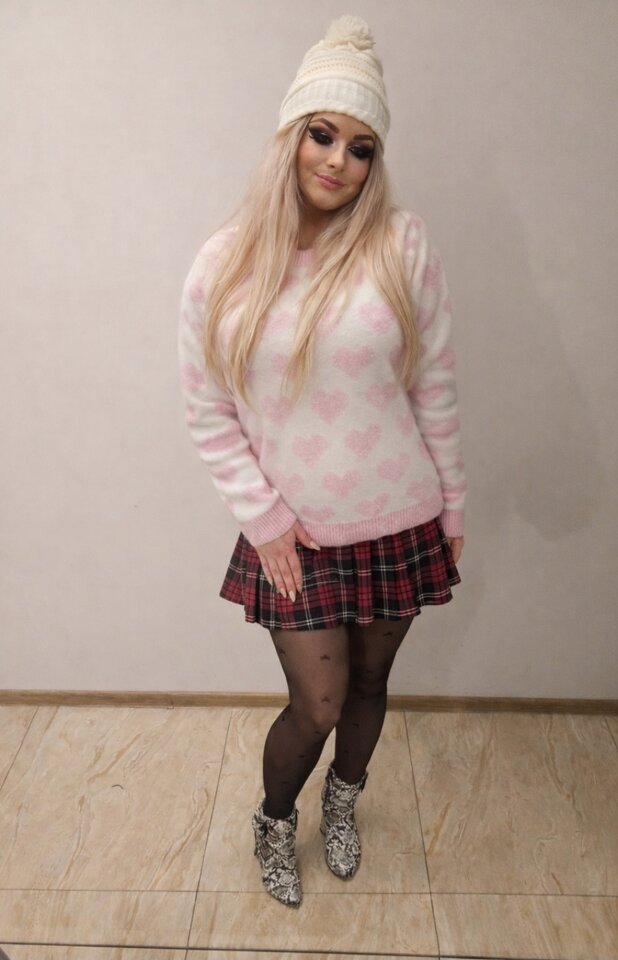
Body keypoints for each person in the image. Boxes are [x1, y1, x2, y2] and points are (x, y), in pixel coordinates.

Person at [177, 15, 466, 908]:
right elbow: (207, 410)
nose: (339, 160)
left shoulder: (401, 244)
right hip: (296, 532)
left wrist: (454, 508)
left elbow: (435, 386)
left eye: (361, 147)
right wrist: (263, 521)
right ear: (291, 136)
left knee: (372, 683)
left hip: (401, 514)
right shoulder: (225, 264)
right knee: (319, 704)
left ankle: (344, 800)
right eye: (323, 134)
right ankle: (275, 818)